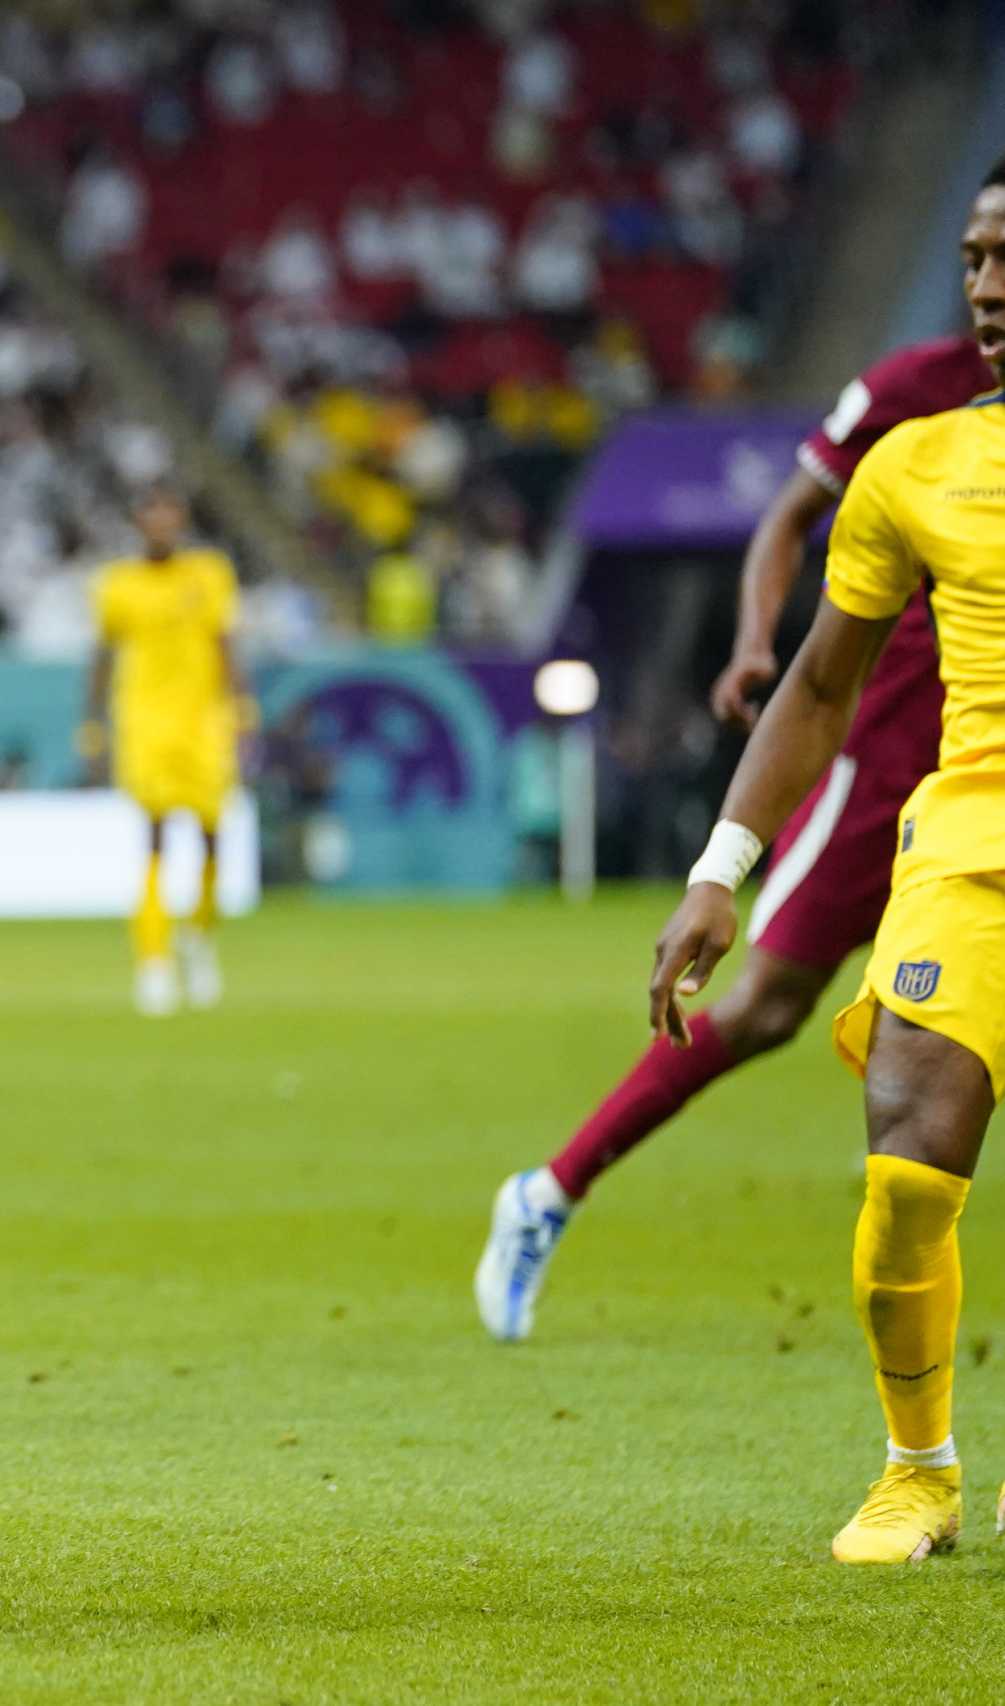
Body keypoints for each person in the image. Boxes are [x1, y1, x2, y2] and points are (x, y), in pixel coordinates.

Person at [474, 325, 991, 1341]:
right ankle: (548, 1190)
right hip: (892, 753)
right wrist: (756, 638)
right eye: (976, 259)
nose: (990, 287)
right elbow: (791, 513)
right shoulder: (916, 391)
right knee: (763, 1005)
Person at [642, 170, 1005, 1564]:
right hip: (968, 847)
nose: (986, 288)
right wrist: (722, 867)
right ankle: (919, 1472)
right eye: (972, 258)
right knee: (906, 1145)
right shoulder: (913, 464)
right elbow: (815, 686)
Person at [80, 485, 247, 1015]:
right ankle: (153, 962)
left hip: (204, 723)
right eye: (151, 518)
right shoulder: (118, 584)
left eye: (169, 518)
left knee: (212, 839)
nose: (161, 528)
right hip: (146, 725)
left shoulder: (209, 574)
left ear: (182, 522)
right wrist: (93, 721)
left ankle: (198, 937)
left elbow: (225, 642)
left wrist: (242, 704)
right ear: (138, 525)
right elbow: (103, 654)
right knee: (153, 837)